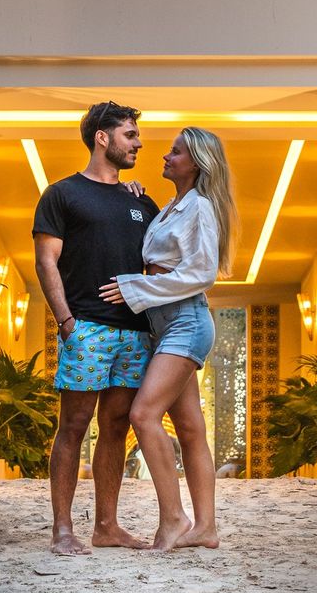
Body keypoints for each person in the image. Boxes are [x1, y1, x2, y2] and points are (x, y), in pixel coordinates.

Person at [98, 127, 237, 552]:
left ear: (196, 162)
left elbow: (201, 274)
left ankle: (175, 518)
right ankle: (206, 528)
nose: (165, 156)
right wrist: (131, 195)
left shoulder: (201, 207)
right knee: (191, 429)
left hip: (186, 323)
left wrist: (135, 287)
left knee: (143, 415)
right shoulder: (170, 208)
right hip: (164, 326)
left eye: (175, 152)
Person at [32, 100, 159, 556]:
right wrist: (66, 322)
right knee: (73, 426)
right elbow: (46, 261)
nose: (138, 143)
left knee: (117, 426)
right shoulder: (62, 194)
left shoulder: (140, 201)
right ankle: (62, 530)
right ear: (102, 138)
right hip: (86, 329)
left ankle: (107, 526)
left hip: (134, 333)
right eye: (130, 135)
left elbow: (158, 263)